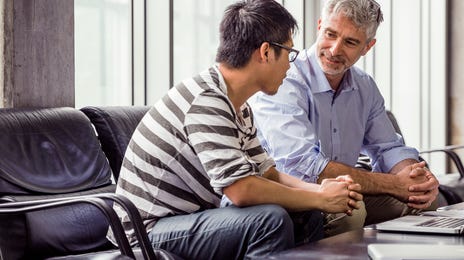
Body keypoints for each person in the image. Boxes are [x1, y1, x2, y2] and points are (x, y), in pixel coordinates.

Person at [107, 0, 363, 259]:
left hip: (185, 221)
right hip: (144, 232)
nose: (290, 64)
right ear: (265, 52)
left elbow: (268, 174)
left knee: (305, 215)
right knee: (269, 221)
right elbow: (241, 190)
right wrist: (320, 198)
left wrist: (320, 191)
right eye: (288, 52)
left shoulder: (238, 107)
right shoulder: (207, 101)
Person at [248, 0, 440, 237]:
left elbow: (389, 148)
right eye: (330, 34)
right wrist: (393, 184)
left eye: (350, 42)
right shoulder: (285, 78)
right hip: (293, 193)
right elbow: (303, 167)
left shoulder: (365, 86)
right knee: (350, 210)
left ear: (367, 47)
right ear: (320, 26)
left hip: (346, 191)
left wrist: (414, 178)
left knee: (421, 200)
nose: (335, 49)